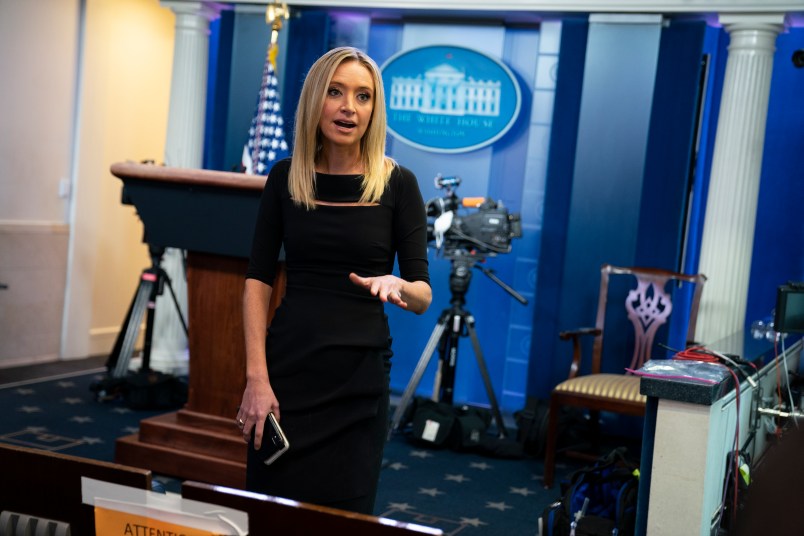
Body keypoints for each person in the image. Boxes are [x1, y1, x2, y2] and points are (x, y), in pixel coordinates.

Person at [235, 46, 432, 515]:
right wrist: (256, 378)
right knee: (269, 513)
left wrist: (397, 286)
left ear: (374, 109)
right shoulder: (285, 179)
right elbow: (257, 281)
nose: (349, 107)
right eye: (336, 92)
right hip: (286, 373)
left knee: (345, 518)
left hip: (358, 382)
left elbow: (423, 294)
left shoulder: (397, 184)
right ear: (314, 101)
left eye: (363, 96)